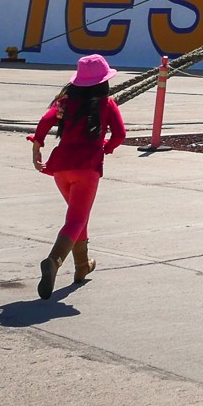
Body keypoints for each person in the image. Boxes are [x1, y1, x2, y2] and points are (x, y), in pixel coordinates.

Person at [28, 54, 127, 299]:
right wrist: (105, 147)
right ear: (104, 82)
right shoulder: (107, 104)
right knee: (76, 219)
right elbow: (120, 134)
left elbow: (44, 121)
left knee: (78, 217)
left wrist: (36, 147)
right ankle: (54, 260)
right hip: (87, 168)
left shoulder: (64, 103)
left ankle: (82, 266)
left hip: (60, 168)